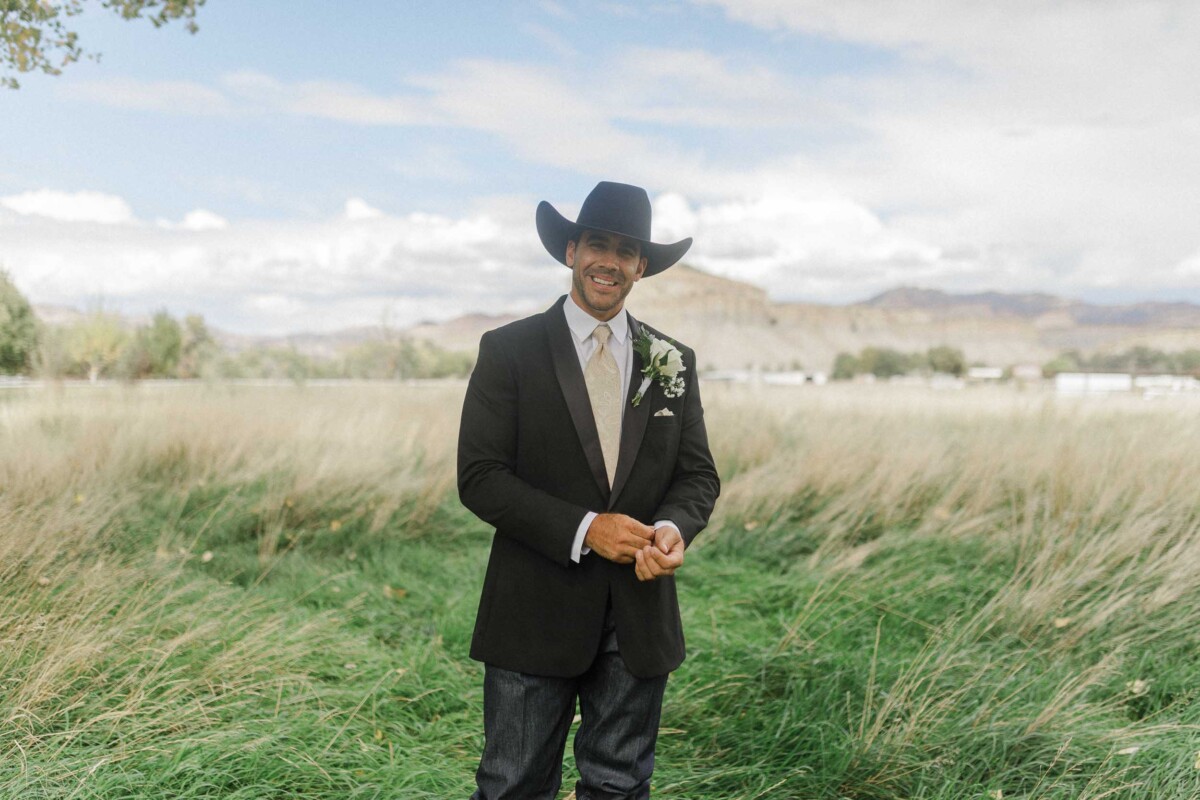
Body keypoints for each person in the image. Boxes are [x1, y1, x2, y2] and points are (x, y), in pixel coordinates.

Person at [457, 181, 720, 800]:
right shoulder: (509, 350)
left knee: (620, 786)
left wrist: (672, 529)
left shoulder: (671, 359)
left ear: (641, 266)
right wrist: (586, 529)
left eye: (626, 250)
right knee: (512, 785)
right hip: (533, 607)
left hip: (638, 612)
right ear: (571, 250)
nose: (611, 261)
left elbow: (697, 475)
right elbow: (480, 477)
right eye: (597, 244)